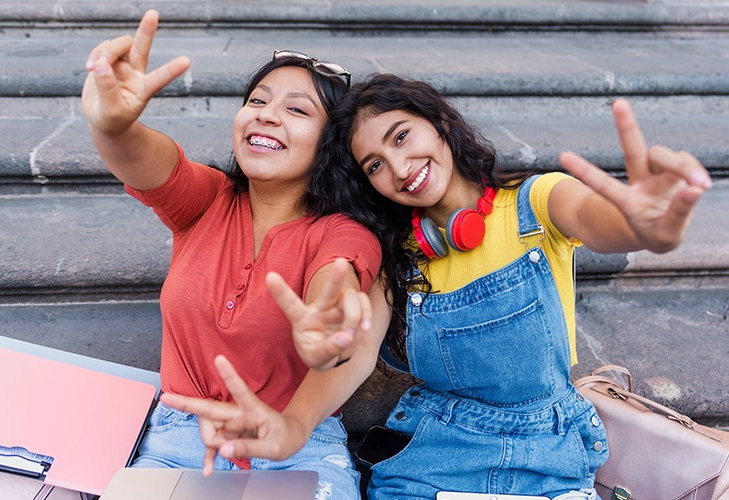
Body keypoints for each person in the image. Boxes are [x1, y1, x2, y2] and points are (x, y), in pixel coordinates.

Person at [164, 72, 711, 500]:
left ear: (441, 123)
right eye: (375, 164)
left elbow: (602, 221)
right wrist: (295, 421)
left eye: (402, 136)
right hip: (429, 456)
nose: (400, 167)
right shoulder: (397, 258)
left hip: (549, 454)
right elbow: (354, 355)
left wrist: (647, 226)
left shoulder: (537, 203)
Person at [81, 9, 384, 500]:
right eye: (257, 101)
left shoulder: (341, 231)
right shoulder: (207, 199)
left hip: (297, 447)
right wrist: (113, 126)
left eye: (297, 109)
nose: (265, 113)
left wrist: (329, 322)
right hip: (179, 440)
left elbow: (337, 279)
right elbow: (144, 158)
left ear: (332, 146)